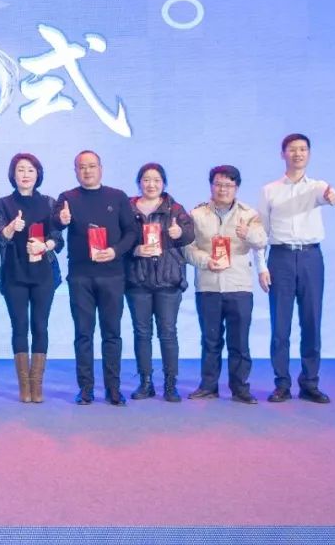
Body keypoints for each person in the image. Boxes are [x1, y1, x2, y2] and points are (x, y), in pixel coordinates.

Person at [257, 133, 335, 404]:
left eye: (303, 149)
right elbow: (261, 232)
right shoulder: (270, 190)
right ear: (283, 154)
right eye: (292, 149)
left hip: (311, 258)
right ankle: (281, 384)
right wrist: (261, 267)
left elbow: (328, 196)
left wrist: (331, 196)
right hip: (279, 258)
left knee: (311, 321)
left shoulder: (317, 186)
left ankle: (310, 383)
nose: (298, 154)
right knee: (280, 325)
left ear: (309, 154)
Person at [56, 150, 137, 406]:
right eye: (82, 167)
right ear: (75, 171)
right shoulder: (67, 198)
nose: (87, 171)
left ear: (101, 168)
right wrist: (61, 219)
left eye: (92, 166)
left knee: (112, 334)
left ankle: (113, 389)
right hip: (80, 277)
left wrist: (115, 251)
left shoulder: (118, 196)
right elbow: (54, 227)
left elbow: (131, 232)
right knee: (83, 334)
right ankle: (86, 389)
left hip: (112, 275)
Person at [185, 165, 268, 405]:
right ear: (211, 186)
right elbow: (188, 249)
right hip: (208, 286)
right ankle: (208, 386)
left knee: (239, 342)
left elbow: (262, 241)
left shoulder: (249, 214)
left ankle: (240, 388)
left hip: (239, 285)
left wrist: (247, 234)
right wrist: (206, 261)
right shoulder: (197, 214)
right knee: (210, 340)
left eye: (228, 185)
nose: (223, 189)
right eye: (218, 184)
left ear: (236, 187)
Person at [0, 153, 63, 404]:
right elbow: (0, 238)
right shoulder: (2, 204)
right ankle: (24, 386)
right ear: (13, 174)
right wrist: (12, 228)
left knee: (40, 326)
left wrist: (45, 245)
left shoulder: (50, 203)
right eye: (20, 170)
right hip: (14, 274)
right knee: (19, 326)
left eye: (31, 170)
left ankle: (37, 385)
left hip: (44, 274)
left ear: (38, 174)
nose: (25, 174)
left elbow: (58, 239)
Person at [124, 163, 195, 402]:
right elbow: (118, 240)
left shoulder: (175, 209)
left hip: (168, 279)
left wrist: (179, 234)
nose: (151, 184)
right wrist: (135, 250)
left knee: (168, 332)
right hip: (137, 279)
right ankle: (145, 383)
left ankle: (170, 383)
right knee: (142, 333)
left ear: (163, 183)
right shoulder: (128, 208)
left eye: (156, 180)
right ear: (139, 183)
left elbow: (190, 234)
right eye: (146, 180)